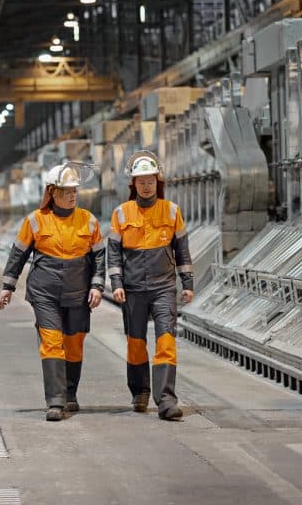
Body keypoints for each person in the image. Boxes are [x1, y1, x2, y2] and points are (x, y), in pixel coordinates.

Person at [0, 163, 106, 421]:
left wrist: (97, 285)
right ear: (52, 192)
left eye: (74, 191)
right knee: (52, 343)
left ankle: (70, 394)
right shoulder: (35, 220)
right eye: (67, 190)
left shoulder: (88, 220)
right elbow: (18, 254)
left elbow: (100, 256)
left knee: (74, 344)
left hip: (78, 293)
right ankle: (55, 402)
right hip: (44, 293)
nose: (72, 195)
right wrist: (7, 286)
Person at [106, 150, 194, 420]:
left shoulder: (171, 211)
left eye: (151, 181)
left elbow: (182, 250)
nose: (146, 185)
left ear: (158, 181)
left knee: (166, 341)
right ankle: (140, 392)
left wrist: (187, 283)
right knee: (136, 343)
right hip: (132, 289)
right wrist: (117, 283)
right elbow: (114, 253)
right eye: (141, 181)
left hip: (163, 287)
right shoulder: (121, 214)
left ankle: (166, 400)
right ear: (133, 184)